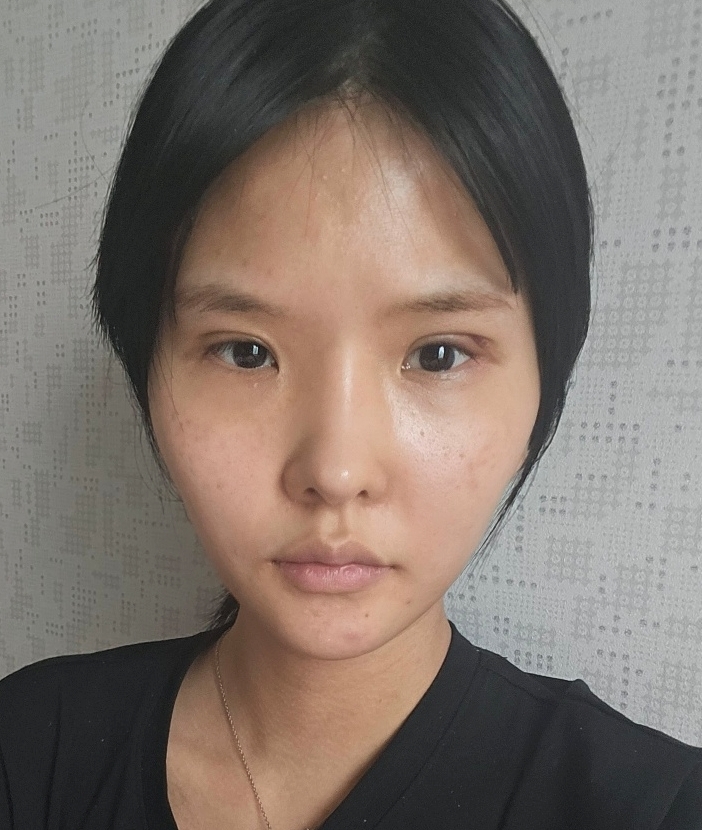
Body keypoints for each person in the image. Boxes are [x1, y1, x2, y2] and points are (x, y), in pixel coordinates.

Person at [0, 0, 700, 827]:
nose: (334, 472)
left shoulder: (649, 807)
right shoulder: (30, 751)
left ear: (545, 376)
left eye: (438, 355)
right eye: (246, 352)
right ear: (145, 364)